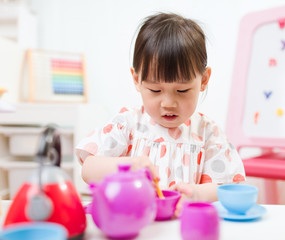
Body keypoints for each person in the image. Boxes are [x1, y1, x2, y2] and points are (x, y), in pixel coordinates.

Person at [76, 12, 245, 216]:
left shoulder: (209, 134)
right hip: (134, 225)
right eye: (155, 91)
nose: (168, 103)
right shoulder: (127, 124)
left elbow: (226, 187)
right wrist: (129, 165)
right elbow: (88, 169)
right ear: (137, 79)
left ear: (203, 80)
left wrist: (197, 194)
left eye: (182, 91)